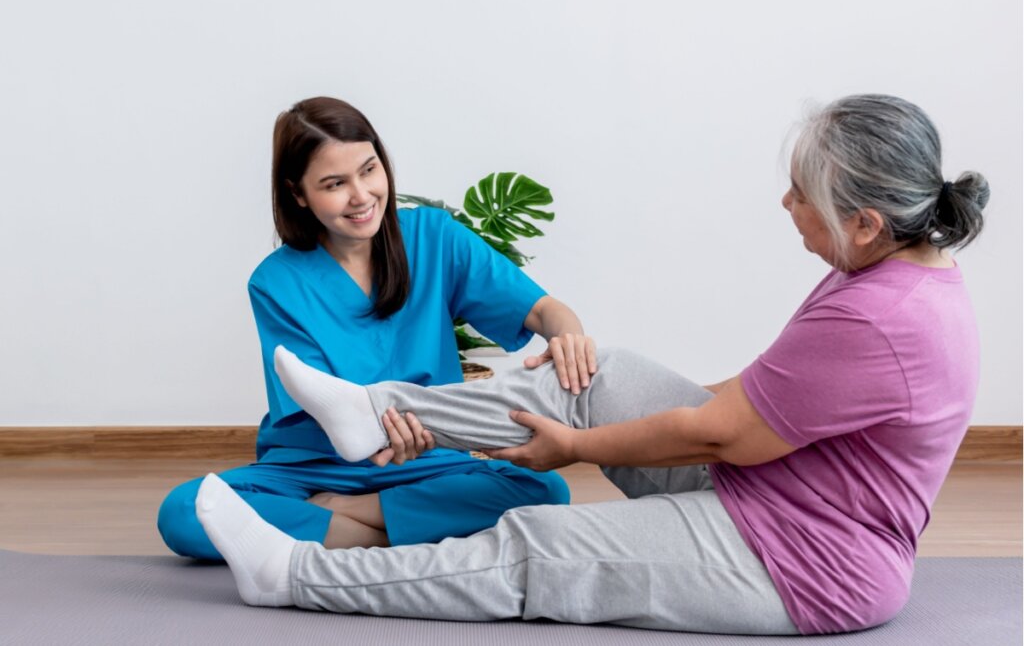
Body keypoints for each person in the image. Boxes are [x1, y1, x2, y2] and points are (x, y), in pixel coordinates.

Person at [194, 94, 989, 635]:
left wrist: (574, 449)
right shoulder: (879, 271)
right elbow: (749, 408)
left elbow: (721, 434)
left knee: (538, 541)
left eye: (802, 194)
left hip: (804, 554)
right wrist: (584, 410)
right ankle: (372, 415)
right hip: (773, 486)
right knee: (595, 373)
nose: (788, 205)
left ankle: (294, 574)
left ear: (864, 221)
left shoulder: (878, 316)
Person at [159, 96, 601, 559]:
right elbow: (325, 411)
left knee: (544, 488)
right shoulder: (276, 282)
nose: (362, 196)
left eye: (369, 170)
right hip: (315, 467)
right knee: (185, 512)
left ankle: (349, 518)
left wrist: (567, 336)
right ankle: (386, 540)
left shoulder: (435, 237)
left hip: (429, 460)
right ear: (298, 193)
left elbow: (543, 310)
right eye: (334, 183)